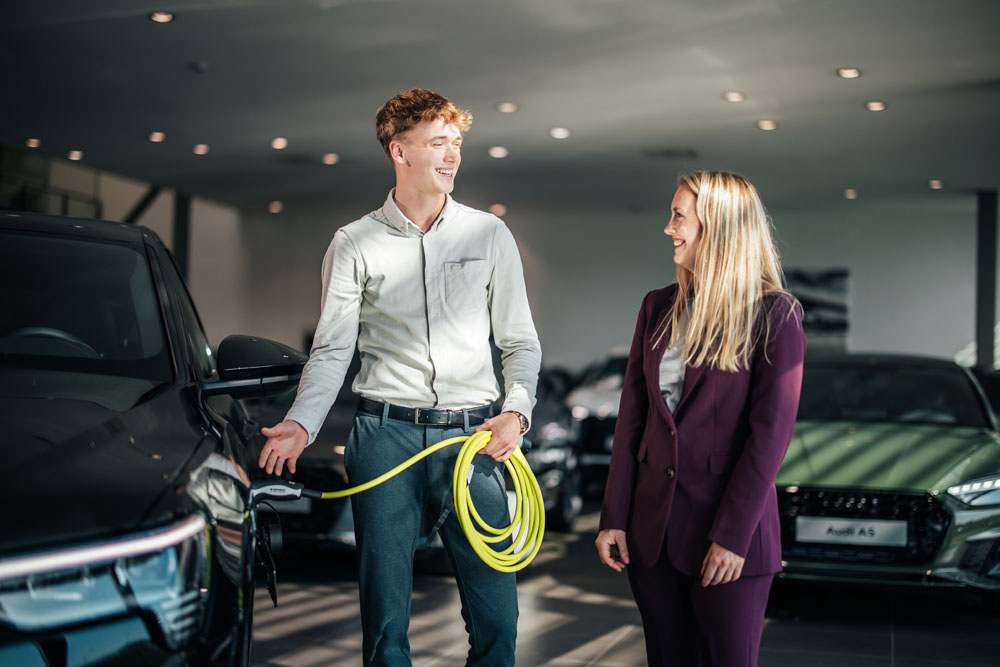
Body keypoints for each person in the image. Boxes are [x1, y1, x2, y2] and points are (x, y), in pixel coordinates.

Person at [258, 88, 541, 666]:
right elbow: (332, 349)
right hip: (384, 440)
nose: (452, 155)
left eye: (457, 144)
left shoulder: (489, 235)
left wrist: (517, 410)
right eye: (438, 143)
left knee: (498, 616)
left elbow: (519, 341)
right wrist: (300, 424)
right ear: (399, 150)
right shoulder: (354, 242)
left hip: (474, 440)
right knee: (385, 622)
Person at [594, 171, 806, 666]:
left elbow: (768, 440)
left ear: (720, 226)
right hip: (651, 538)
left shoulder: (775, 313)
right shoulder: (658, 306)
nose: (669, 228)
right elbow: (633, 420)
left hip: (728, 539)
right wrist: (615, 517)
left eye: (679, 216)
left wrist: (732, 537)